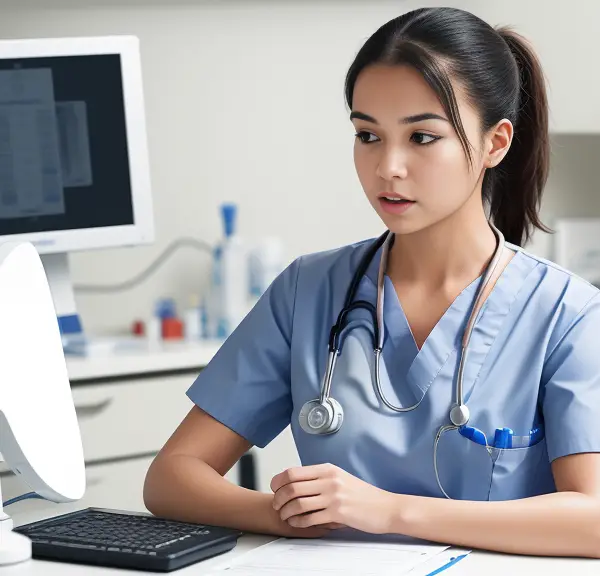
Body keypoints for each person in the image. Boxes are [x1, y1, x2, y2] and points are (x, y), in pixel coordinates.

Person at [143, 6, 600, 558]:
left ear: (495, 143)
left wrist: (387, 511)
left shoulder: (567, 315)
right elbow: (171, 477)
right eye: (368, 135)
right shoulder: (307, 292)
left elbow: (592, 518)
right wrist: (286, 515)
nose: (389, 167)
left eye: (423, 138)